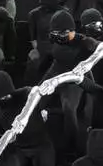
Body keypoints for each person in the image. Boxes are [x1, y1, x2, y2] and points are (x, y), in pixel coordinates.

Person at [41, 10, 99, 157]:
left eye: (64, 33)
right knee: (37, 96)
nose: (61, 37)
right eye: (57, 33)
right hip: (57, 68)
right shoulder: (56, 38)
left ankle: (72, 148)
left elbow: (97, 46)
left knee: (69, 108)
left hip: (75, 75)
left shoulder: (84, 42)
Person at [25, 0, 64, 84]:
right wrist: (41, 51)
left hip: (59, 47)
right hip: (42, 49)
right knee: (34, 58)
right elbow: (33, 39)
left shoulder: (64, 12)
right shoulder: (34, 15)